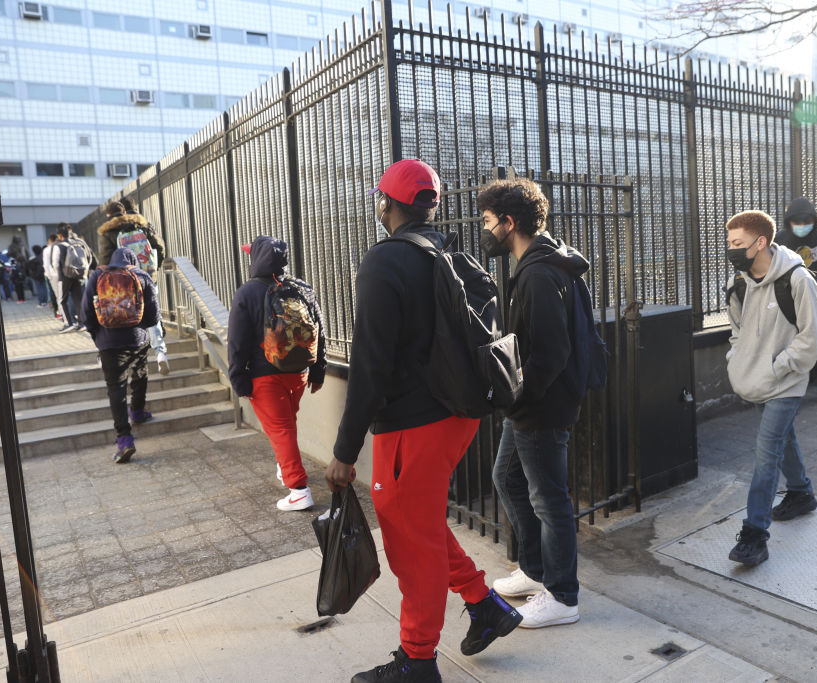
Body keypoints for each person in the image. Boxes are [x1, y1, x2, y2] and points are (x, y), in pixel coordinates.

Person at [326, 159, 521, 683]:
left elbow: (370, 366)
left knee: (411, 544)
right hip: (456, 416)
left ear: (385, 204)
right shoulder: (447, 252)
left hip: (412, 427)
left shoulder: (385, 260)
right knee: (423, 524)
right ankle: (484, 605)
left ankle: (417, 661)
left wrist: (344, 452)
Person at [476, 177, 584, 628]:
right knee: (506, 478)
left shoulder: (538, 273)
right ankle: (535, 569)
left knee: (548, 499)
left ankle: (562, 596)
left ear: (509, 221)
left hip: (540, 407)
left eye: (487, 221)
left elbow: (552, 352)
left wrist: (520, 396)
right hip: (531, 404)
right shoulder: (540, 262)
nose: (485, 230)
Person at [725, 210, 817, 566]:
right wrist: (738, 361)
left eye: (738, 243)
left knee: (767, 452)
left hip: (787, 381)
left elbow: (811, 337)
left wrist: (778, 367)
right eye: (729, 242)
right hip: (754, 377)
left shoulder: (797, 279)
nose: (731, 249)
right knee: (785, 438)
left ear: (761, 242)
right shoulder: (737, 283)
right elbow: (736, 332)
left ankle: (754, 534)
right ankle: (801, 493)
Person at [227, 235, 327, 512]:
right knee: (286, 424)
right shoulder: (301, 287)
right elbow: (319, 330)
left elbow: (236, 342)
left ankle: (299, 491)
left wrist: (238, 379)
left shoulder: (247, 292)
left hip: (265, 376)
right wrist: (318, 371)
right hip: (299, 372)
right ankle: (286, 468)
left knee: (280, 429)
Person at [81, 248, 159, 463]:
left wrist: (98, 336)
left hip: (108, 343)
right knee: (140, 374)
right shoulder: (142, 276)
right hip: (137, 340)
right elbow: (153, 316)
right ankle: (137, 411)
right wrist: (139, 328)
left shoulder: (97, 275)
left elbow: (86, 312)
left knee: (116, 389)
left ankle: (124, 440)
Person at [774, 197, 817, 402]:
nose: (802, 225)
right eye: (797, 222)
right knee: (791, 342)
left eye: (807, 221)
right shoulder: (781, 238)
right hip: (789, 300)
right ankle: (791, 385)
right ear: (789, 221)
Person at [98, 200, 170, 373]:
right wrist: (152, 269)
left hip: (124, 284)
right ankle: (160, 354)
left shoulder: (109, 232)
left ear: (108, 215)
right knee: (153, 315)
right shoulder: (141, 225)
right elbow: (159, 247)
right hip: (147, 277)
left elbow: (105, 261)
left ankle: (132, 359)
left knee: (126, 318)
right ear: (125, 212)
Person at [53, 222, 92, 332]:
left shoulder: (58, 246)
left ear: (60, 235)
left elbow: (55, 264)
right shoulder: (76, 244)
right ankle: (82, 323)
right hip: (76, 275)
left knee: (62, 300)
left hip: (64, 277)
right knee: (78, 299)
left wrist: (58, 276)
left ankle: (68, 323)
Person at [42, 235, 60, 320]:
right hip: (61, 274)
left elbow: (46, 264)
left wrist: (48, 275)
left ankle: (57, 312)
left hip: (51, 275)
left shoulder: (46, 250)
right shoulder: (59, 246)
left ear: (49, 240)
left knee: (54, 294)